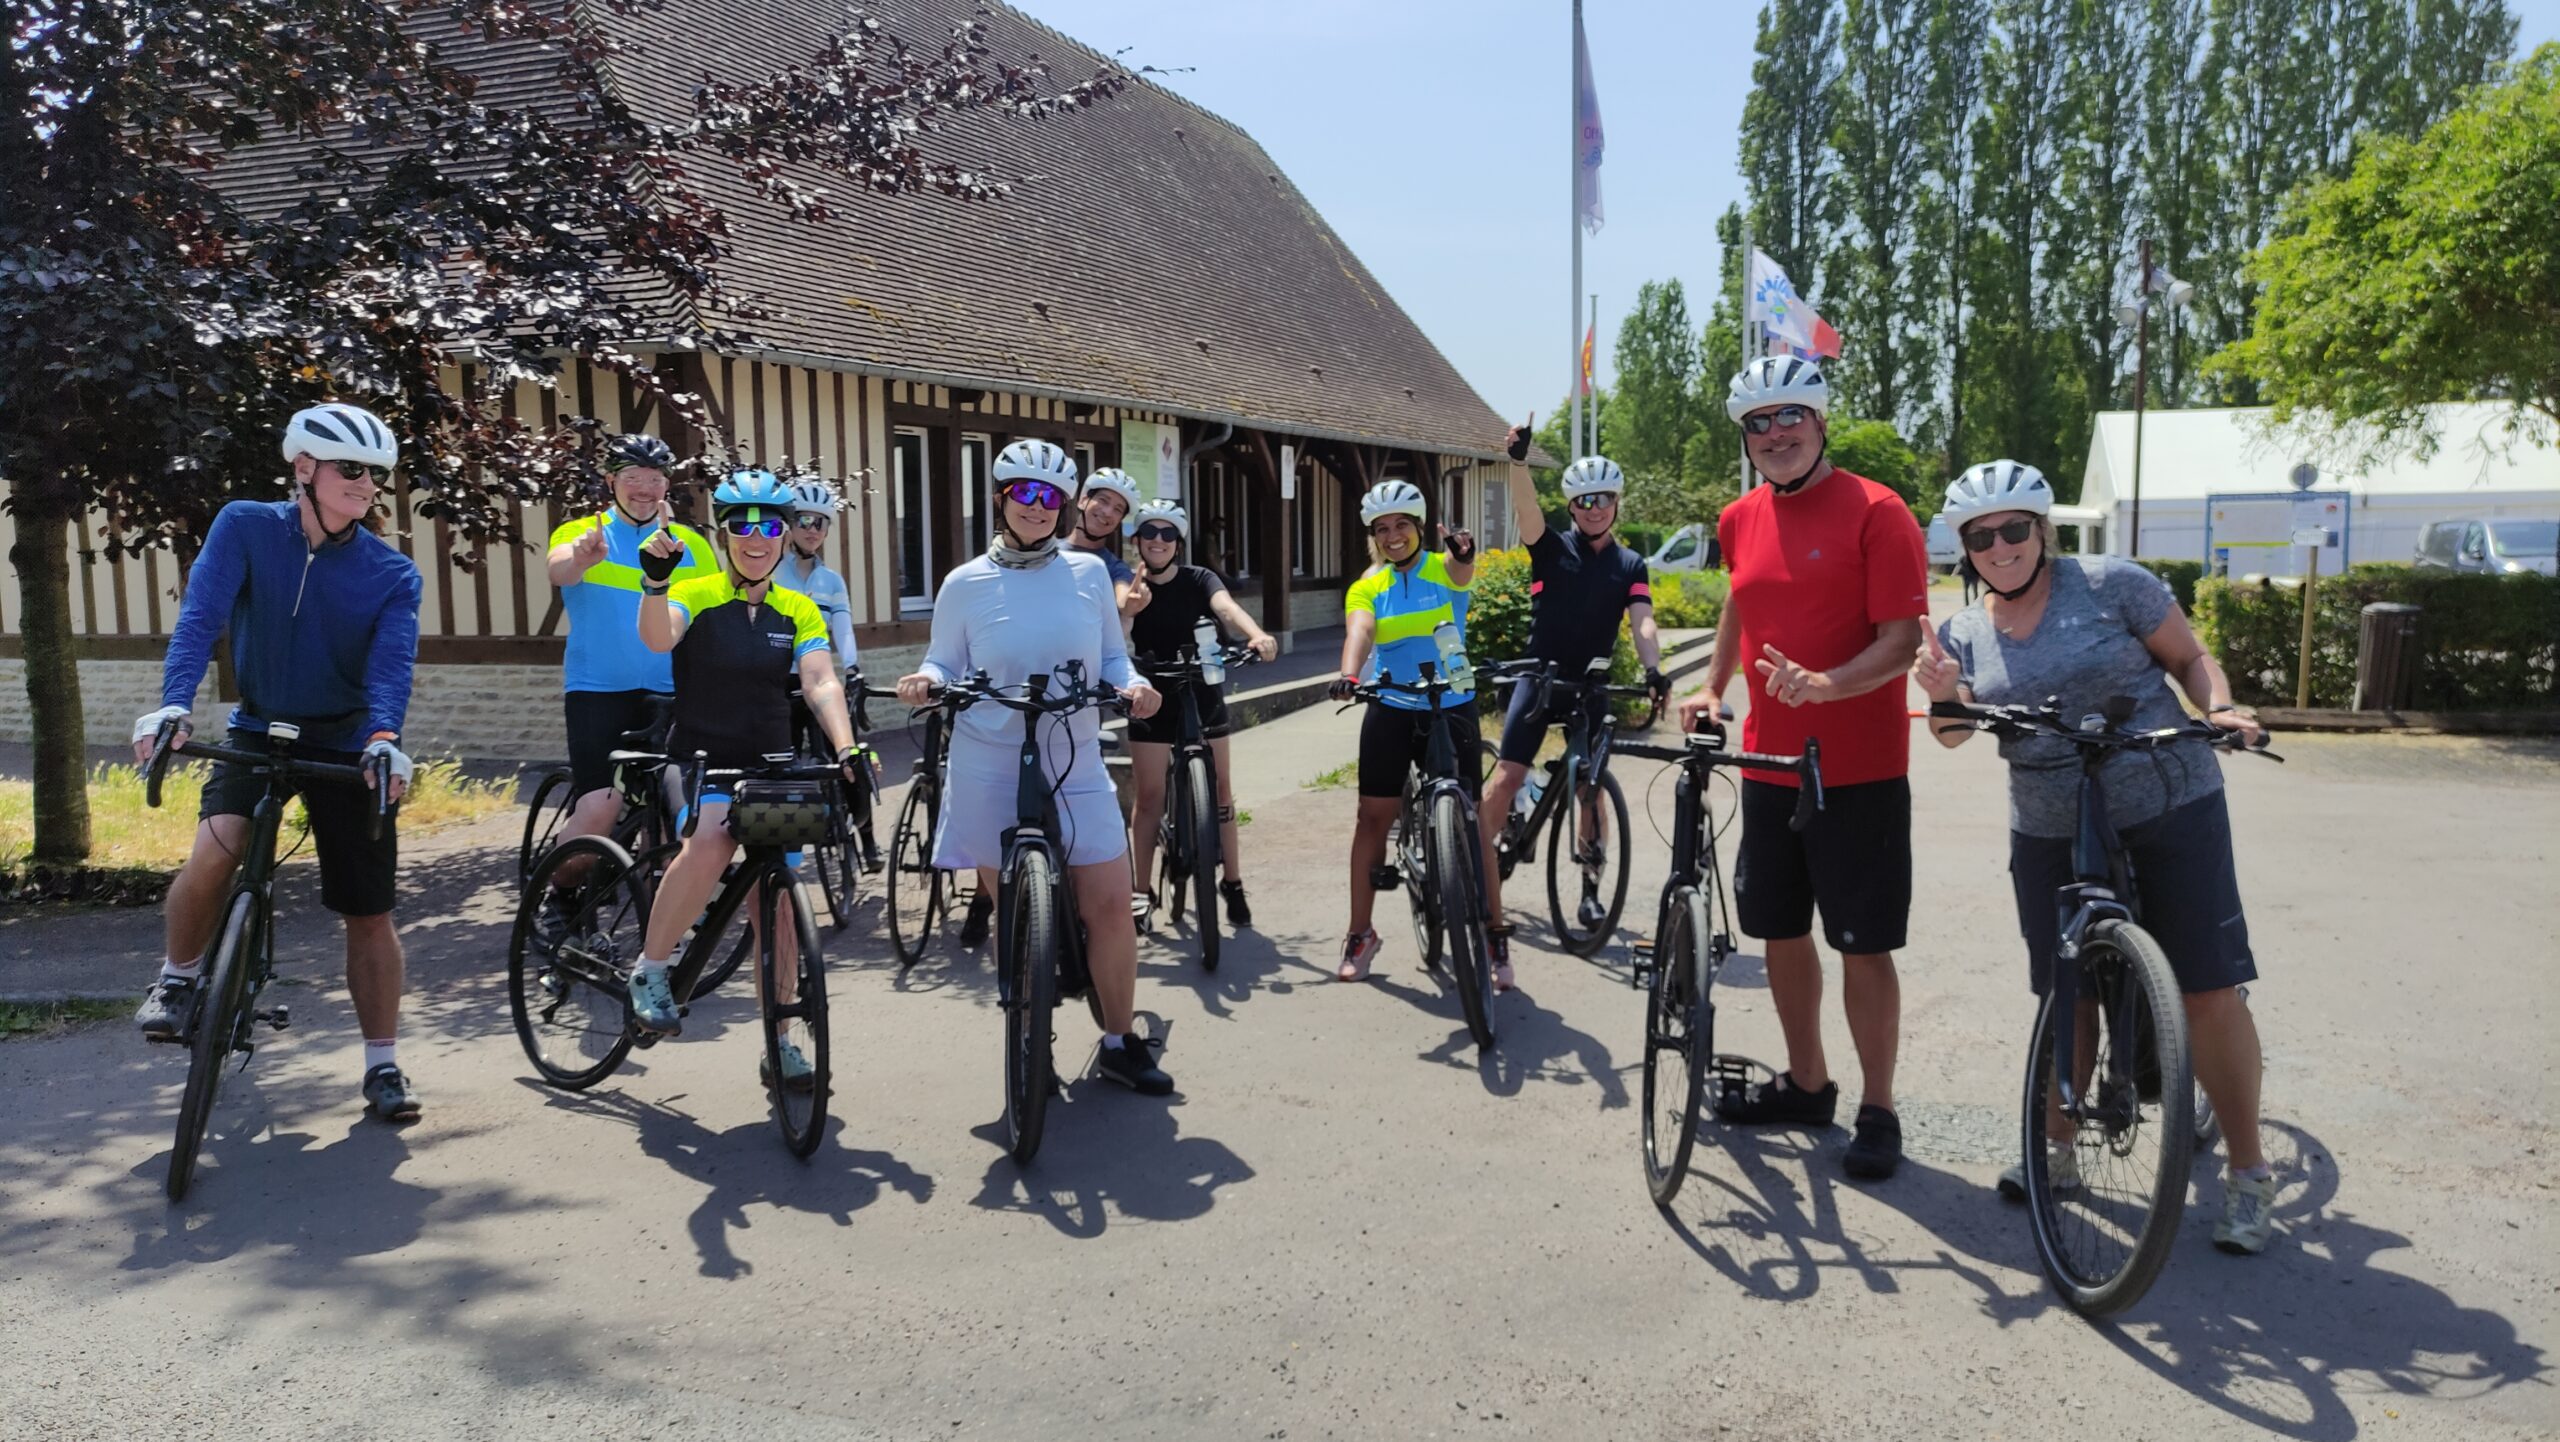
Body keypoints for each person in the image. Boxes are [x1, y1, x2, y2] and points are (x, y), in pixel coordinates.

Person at [1913, 459, 2279, 1254]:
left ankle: (2250, 1174)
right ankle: (2057, 1145)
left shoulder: (2114, 584)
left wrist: (2218, 707)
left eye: (2015, 529)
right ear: (1966, 549)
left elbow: (2189, 657)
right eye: (1982, 536)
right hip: (2049, 824)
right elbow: (1950, 731)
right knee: (2065, 990)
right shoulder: (1964, 632)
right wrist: (1943, 689)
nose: (2000, 546)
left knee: (2208, 991)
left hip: (2167, 798)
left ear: (2042, 531)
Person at [130, 403, 427, 1121]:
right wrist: (174, 705)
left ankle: (382, 1062)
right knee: (214, 850)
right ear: (304, 468)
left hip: (347, 741)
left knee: (368, 909)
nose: (365, 484)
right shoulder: (245, 526)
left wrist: (384, 736)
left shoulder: (391, 573)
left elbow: (391, 666)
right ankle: (178, 978)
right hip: (260, 727)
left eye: (374, 474)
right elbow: (201, 615)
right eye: (350, 469)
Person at [1672, 356, 1929, 1182]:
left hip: (1858, 770)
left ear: (1819, 421)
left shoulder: (1878, 512)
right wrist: (1713, 686)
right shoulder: (1738, 516)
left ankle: (1879, 1108)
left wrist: (1829, 685)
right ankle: (1808, 1082)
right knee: (1778, 930)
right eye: (1757, 424)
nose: (1774, 435)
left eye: (1789, 418)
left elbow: (1902, 642)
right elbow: (1742, 598)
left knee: (1861, 942)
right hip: (1768, 764)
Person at [893, 441, 1173, 1096]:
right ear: (1001, 499)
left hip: (1071, 750)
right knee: (1014, 908)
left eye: (1051, 497)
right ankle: (1028, 1037)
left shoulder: (1087, 577)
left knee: (1108, 902)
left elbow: (1112, 657)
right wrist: (925, 682)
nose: (1038, 507)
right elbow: (943, 660)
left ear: (1065, 505)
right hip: (987, 756)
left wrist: (1135, 686)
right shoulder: (965, 582)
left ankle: (1118, 1041)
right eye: (1025, 493)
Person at [622, 469, 864, 1093]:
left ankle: (780, 1044)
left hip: (771, 765)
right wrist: (654, 582)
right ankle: (651, 969)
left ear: (785, 535)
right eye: (741, 525)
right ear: (724, 533)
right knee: (710, 840)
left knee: (778, 908)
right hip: (700, 759)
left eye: (770, 525)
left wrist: (847, 746)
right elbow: (656, 639)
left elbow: (819, 681)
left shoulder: (798, 606)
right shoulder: (696, 592)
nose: (756, 537)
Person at [1479, 440, 1669, 985]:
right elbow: (1525, 510)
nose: (1594, 507)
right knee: (1507, 778)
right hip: (1540, 681)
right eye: (1584, 500)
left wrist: (1654, 669)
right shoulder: (1550, 546)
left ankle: (1589, 891)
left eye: (1603, 498)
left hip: (1590, 687)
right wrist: (1517, 465)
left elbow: (1643, 622)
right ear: (1572, 506)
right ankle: (1472, 864)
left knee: (1591, 786)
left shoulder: (1630, 563)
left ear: (1616, 503)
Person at [540, 434, 715, 925]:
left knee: (690, 805)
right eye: (632, 478)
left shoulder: (692, 545)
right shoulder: (583, 532)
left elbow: (715, 613)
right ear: (611, 481)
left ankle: (674, 901)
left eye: (655, 479)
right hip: (599, 693)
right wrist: (580, 559)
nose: (644, 489)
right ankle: (561, 892)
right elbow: (559, 572)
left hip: (674, 694)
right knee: (600, 810)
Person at [1326, 480, 1482, 983]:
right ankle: (1360, 932)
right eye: (1382, 529)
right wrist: (1351, 675)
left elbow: (1463, 571)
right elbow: (1361, 630)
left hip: (1453, 700)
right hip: (1393, 701)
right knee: (1372, 818)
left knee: (1470, 816)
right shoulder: (1368, 585)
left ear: (1418, 527)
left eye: (1402, 526)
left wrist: (1464, 551)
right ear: (1374, 537)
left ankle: (1485, 923)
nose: (1393, 536)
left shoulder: (1443, 569)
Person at [1120, 498, 1281, 928]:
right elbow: (1118, 641)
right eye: (1149, 532)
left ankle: (1232, 882)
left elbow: (1225, 607)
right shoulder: (1128, 585)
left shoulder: (1199, 578)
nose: (1158, 540)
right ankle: (1140, 891)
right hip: (1152, 694)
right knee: (1150, 796)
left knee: (1222, 791)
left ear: (1179, 542)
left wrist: (1257, 635)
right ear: (1136, 540)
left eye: (1168, 533)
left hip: (1201, 688)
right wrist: (1128, 611)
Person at [776, 475, 882, 872]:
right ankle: (782, 842)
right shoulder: (772, 573)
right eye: (804, 520)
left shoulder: (831, 581)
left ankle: (867, 837)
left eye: (821, 522)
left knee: (848, 756)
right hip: (779, 682)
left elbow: (843, 629)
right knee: (779, 761)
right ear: (789, 524)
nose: (813, 530)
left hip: (818, 678)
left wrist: (852, 668)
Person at [1068, 464, 1147, 623]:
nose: (1108, 512)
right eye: (1103, 500)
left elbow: (1123, 593)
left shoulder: (1115, 567)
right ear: (1083, 501)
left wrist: (1128, 603)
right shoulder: (1045, 551)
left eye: (1118, 509)